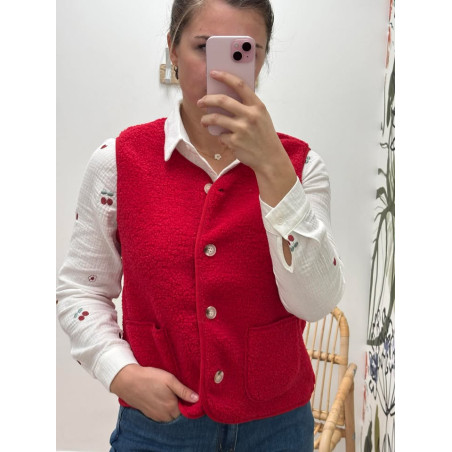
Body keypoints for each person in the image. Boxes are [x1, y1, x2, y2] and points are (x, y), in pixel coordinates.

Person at [57, 0, 345, 450]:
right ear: (172, 49)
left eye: (242, 51)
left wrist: (273, 170)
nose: (221, 70)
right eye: (204, 48)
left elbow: (316, 301)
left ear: (262, 58)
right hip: (158, 427)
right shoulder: (118, 162)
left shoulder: (302, 167)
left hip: (278, 427)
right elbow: (81, 287)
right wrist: (120, 372)